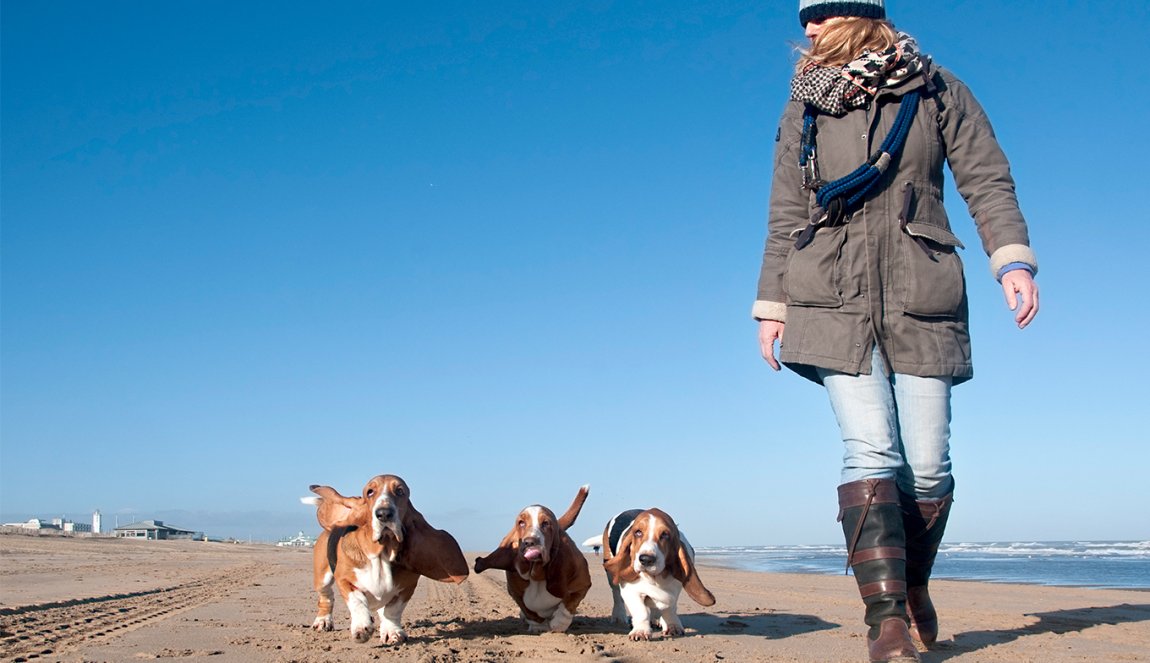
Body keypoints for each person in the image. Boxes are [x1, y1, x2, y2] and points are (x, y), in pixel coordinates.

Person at [753, 1, 1039, 661]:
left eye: (818, 14)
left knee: (930, 465)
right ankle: (886, 622)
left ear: (855, 15)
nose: (807, 30)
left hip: (922, 289)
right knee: (872, 450)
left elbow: (986, 177)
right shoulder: (805, 104)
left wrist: (1012, 259)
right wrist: (772, 302)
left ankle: (912, 583)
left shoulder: (936, 88)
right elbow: (784, 208)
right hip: (830, 291)